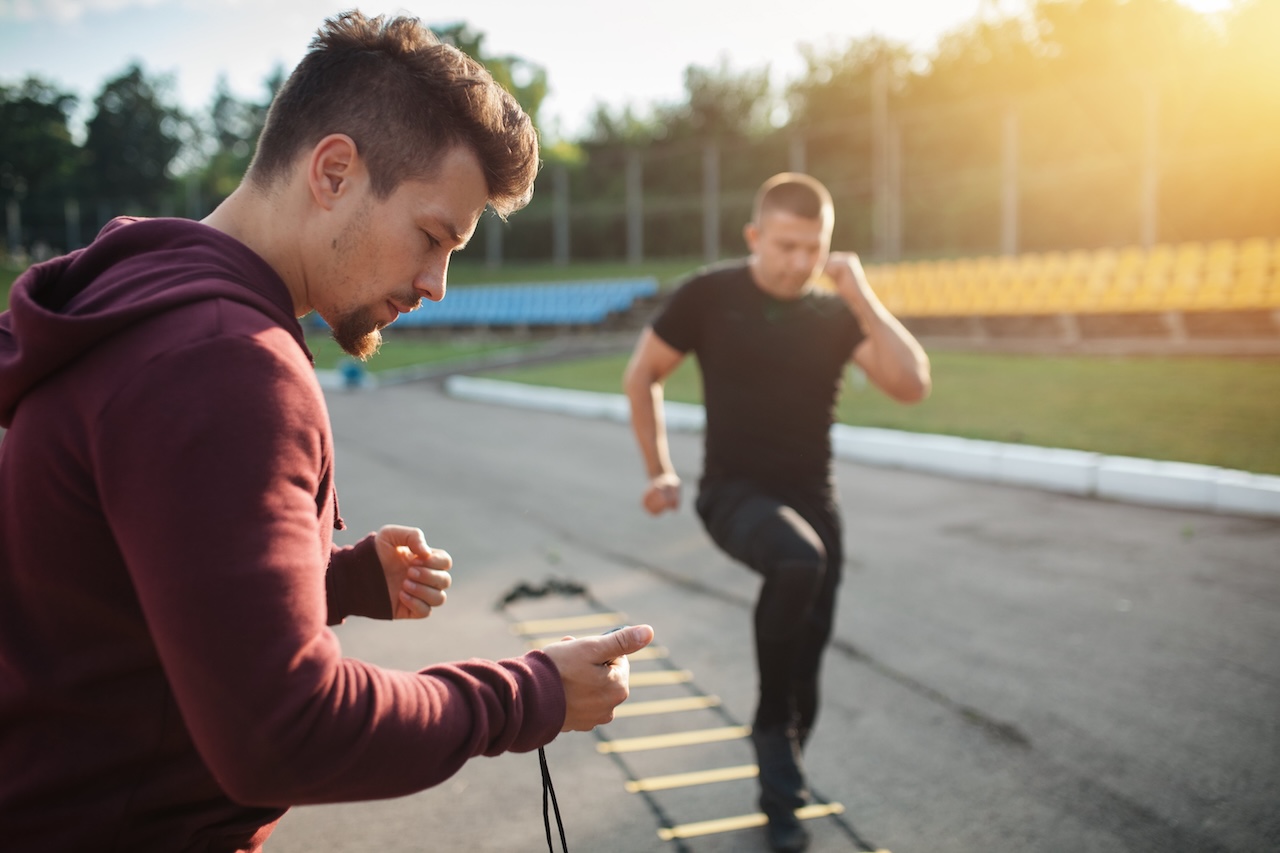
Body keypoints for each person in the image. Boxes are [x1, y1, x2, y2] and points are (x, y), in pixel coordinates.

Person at [0, 11, 653, 851]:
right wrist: (526, 694)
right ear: (334, 171)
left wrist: (332, 583)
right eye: (431, 236)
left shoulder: (144, 303)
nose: (436, 283)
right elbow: (281, 735)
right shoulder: (226, 364)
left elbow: (111, 594)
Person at [623, 172, 930, 852]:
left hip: (816, 503)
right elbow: (642, 374)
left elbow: (911, 383)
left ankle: (779, 797)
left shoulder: (833, 311)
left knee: (806, 680)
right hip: (733, 494)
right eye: (786, 245)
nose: (798, 263)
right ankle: (768, 729)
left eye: (812, 250)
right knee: (797, 562)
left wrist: (860, 292)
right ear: (756, 236)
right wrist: (660, 470)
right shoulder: (710, 295)